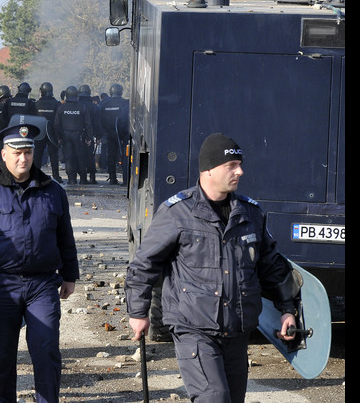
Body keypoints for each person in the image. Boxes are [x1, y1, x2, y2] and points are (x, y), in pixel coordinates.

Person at [125, 133, 300, 403]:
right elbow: (144, 264)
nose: (240, 171)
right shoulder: (177, 213)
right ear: (208, 170)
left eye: (240, 164)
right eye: (231, 166)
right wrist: (138, 311)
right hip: (193, 329)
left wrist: (287, 310)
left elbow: (270, 266)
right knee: (214, 397)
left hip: (237, 331)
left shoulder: (250, 213)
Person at [0, 123, 79, 403]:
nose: (23, 159)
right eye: (17, 153)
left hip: (42, 284)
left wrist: (70, 274)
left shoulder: (52, 189)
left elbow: (64, 236)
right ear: (3, 154)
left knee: (46, 350)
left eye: (28, 152)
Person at [54, 86, 94, 185]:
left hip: (65, 136)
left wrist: (58, 137)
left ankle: (71, 179)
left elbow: (56, 124)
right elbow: (88, 124)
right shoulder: (82, 107)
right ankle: (83, 179)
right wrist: (89, 137)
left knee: (69, 158)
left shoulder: (61, 107)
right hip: (79, 136)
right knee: (81, 157)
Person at [98, 83, 129, 185]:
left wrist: (103, 133)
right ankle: (126, 179)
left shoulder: (105, 104)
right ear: (121, 91)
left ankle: (112, 178)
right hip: (123, 134)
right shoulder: (126, 103)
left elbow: (100, 119)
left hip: (109, 133)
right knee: (125, 156)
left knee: (111, 156)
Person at [34, 82, 63, 183]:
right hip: (52, 133)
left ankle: (36, 176)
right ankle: (56, 176)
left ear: (41, 91)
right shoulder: (57, 104)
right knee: (54, 155)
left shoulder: (36, 104)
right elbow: (59, 121)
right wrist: (59, 135)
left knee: (37, 155)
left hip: (39, 133)